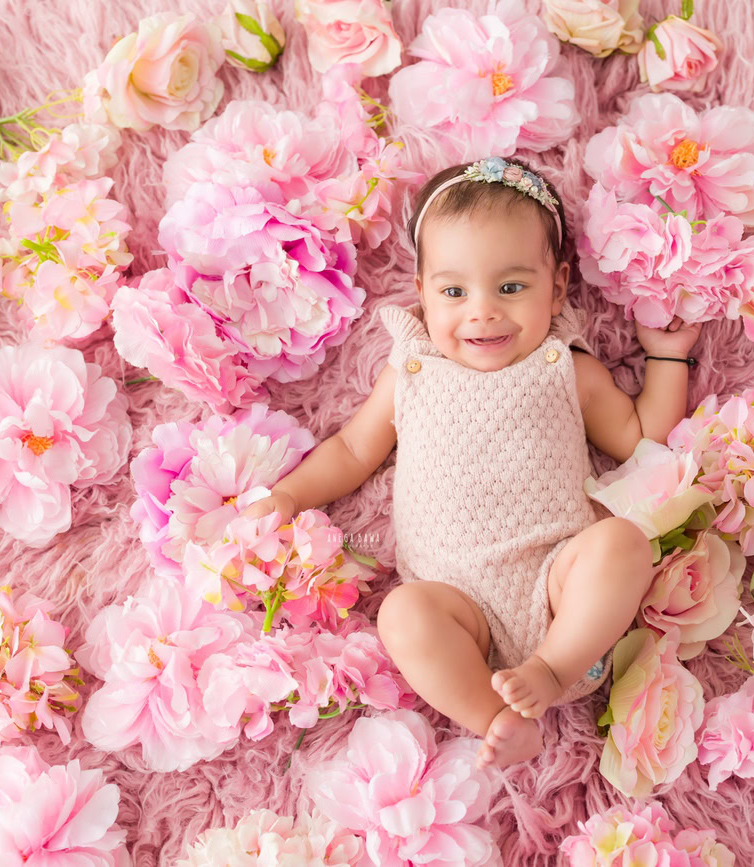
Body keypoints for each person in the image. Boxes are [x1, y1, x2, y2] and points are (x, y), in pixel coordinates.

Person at [247, 155, 700, 768]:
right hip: (458, 609)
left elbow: (643, 437)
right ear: (424, 290)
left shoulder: (563, 365)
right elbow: (353, 450)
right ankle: (500, 722)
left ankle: (549, 669)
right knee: (403, 614)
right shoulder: (410, 371)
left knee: (621, 543)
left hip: (559, 591)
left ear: (558, 286)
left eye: (511, 287)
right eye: (455, 291)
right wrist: (291, 497)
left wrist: (667, 357)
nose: (481, 311)